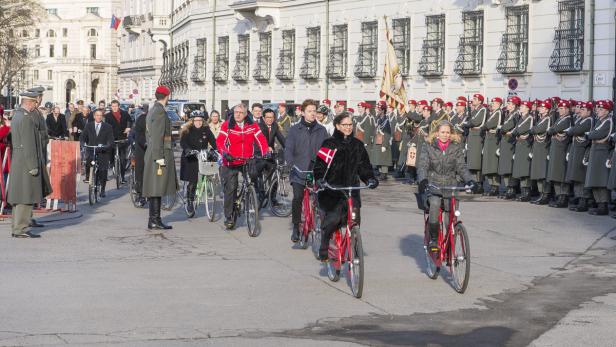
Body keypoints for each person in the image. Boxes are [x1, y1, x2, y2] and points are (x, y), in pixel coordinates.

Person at [313, 112, 378, 260]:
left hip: (351, 189)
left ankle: (354, 250)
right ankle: (324, 243)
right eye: (345, 125)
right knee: (334, 219)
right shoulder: (329, 144)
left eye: (350, 125)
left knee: (355, 219)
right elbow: (319, 166)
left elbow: (364, 167)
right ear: (337, 126)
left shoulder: (358, 145)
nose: (348, 128)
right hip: (332, 190)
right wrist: (320, 179)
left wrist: (370, 179)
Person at [417, 120, 475, 252]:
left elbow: (461, 166)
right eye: (442, 132)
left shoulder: (455, 147)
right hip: (433, 186)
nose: (445, 135)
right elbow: (423, 165)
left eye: (448, 132)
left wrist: (470, 180)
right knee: (435, 204)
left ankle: (451, 245)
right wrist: (423, 180)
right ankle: (433, 238)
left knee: (451, 214)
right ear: (437, 132)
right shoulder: (429, 145)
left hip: (451, 186)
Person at [7, 91, 52, 238]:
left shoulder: (18, 115)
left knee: (19, 197)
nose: (35, 105)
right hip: (27, 162)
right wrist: (33, 165)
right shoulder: (25, 118)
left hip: (19, 160)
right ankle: (21, 229)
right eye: (34, 103)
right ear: (28, 102)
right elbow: (28, 144)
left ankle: (17, 227)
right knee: (26, 197)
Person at [217, 103, 269, 229]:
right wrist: (225, 153)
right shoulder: (227, 125)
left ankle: (249, 197)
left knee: (251, 181)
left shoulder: (252, 125)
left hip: (247, 160)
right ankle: (229, 216)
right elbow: (220, 141)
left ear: (246, 114)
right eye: (236, 112)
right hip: (231, 161)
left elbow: (260, 139)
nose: (238, 115)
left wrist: (265, 152)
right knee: (231, 188)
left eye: (241, 112)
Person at [284, 99, 329, 242]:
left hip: (316, 170)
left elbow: (327, 149)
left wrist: (328, 163)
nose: (312, 114)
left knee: (321, 199)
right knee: (297, 197)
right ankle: (296, 227)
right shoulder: (294, 129)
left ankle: (322, 227)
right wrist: (290, 163)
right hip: (299, 170)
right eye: (309, 111)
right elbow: (289, 148)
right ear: (302, 113)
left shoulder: (321, 130)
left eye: (314, 111)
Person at [142, 86, 178, 230]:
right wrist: (159, 157)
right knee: (156, 188)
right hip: (158, 154)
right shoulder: (159, 112)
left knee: (155, 187)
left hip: (154, 152)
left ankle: (154, 219)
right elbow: (157, 137)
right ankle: (154, 220)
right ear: (166, 96)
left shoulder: (154, 110)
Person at [180, 110, 217, 218]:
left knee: (210, 168)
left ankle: (207, 188)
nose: (198, 122)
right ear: (192, 121)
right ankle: (190, 201)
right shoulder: (187, 130)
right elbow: (183, 142)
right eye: (196, 120)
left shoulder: (206, 129)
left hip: (202, 155)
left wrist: (217, 149)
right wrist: (187, 150)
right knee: (193, 179)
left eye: (200, 120)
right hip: (191, 156)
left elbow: (213, 141)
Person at [584, 100, 613, 216]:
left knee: (601, 180)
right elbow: (592, 133)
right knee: (594, 179)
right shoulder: (600, 121)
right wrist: (591, 135)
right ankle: (598, 202)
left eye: (601, 109)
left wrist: (590, 135)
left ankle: (603, 205)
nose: (598, 111)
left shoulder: (607, 122)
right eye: (598, 109)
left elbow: (594, 134)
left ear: (607, 111)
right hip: (596, 151)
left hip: (601, 152)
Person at [566, 102, 594, 212]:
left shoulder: (588, 120)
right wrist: (572, 131)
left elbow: (574, 130)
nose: (581, 111)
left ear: (589, 111)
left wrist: (572, 131)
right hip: (576, 149)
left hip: (582, 150)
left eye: (583, 110)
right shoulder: (580, 120)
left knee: (581, 176)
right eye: (580, 109)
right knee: (576, 176)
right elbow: (572, 130)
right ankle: (579, 197)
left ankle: (584, 201)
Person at [80, 109, 114, 197]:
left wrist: (107, 145)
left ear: (102, 116)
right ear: (94, 116)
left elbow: (111, 140)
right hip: (92, 150)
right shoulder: (89, 125)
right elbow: (83, 136)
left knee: (103, 170)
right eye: (97, 115)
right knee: (89, 163)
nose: (99, 117)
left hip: (103, 151)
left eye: (100, 115)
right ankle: (90, 178)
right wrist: (83, 143)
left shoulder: (108, 127)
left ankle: (102, 189)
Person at [546, 100, 573, 208]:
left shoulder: (567, 120)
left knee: (561, 174)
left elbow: (553, 129)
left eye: (562, 108)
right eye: (559, 108)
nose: (560, 110)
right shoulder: (559, 119)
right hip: (556, 149)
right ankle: (558, 196)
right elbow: (550, 130)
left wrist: (553, 131)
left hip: (562, 149)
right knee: (555, 174)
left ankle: (563, 197)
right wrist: (552, 131)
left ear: (567, 109)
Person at [529, 100, 552, 205]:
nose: (540, 109)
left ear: (547, 110)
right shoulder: (541, 119)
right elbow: (534, 129)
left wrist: (534, 129)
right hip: (538, 147)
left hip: (543, 148)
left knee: (543, 172)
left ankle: (545, 194)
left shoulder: (547, 119)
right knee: (538, 171)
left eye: (543, 108)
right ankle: (540, 193)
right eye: (540, 107)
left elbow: (536, 130)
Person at [497, 97, 521, 199]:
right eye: (508, 103)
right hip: (505, 142)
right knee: (505, 167)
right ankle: (508, 189)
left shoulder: (515, 115)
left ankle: (512, 189)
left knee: (510, 167)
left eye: (510, 104)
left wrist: (501, 128)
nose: (508, 105)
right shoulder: (508, 114)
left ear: (515, 105)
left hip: (510, 143)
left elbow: (505, 127)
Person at [511, 101, 534, 201]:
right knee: (520, 169)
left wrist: (516, 132)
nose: (521, 108)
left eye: (523, 106)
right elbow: (516, 131)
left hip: (525, 145)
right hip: (520, 145)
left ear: (528, 109)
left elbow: (518, 131)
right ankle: (523, 191)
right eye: (521, 106)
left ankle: (527, 193)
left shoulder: (529, 118)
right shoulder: (521, 118)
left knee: (524, 169)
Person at [105, 100, 132, 184]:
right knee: (111, 153)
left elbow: (130, 121)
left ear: (118, 106)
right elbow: (105, 126)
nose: (114, 108)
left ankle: (122, 177)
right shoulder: (108, 115)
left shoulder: (124, 113)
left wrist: (128, 127)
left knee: (123, 158)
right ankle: (112, 164)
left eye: (116, 106)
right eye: (113, 106)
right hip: (112, 137)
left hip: (122, 137)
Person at [465, 94, 487, 193]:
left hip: (477, 137)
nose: (473, 101)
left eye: (475, 99)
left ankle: (479, 184)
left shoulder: (482, 110)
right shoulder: (474, 110)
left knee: (477, 163)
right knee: (472, 163)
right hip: (472, 137)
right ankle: (474, 183)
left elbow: (474, 122)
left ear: (480, 101)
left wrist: (467, 123)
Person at [481, 97, 502, 196]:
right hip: (489, 140)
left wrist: (485, 126)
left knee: (493, 165)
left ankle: (495, 187)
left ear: (499, 104)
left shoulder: (498, 113)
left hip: (494, 141)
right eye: (492, 103)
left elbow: (488, 125)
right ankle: (491, 186)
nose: (492, 104)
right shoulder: (492, 113)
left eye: (494, 103)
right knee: (489, 164)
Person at [371, 100, 392, 180]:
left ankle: (384, 173)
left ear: (383, 110)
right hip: (378, 139)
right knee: (379, 157)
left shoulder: (386, 120)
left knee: (384, 158)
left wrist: (385, 145)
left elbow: (387, 134)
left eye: (379, 109)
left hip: (383, 141)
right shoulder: (378, 119)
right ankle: (381, 172)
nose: (377, 111)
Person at [132, 103, 148, 207]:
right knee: (140, 170)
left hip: (154, 149)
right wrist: (145, 143)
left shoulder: (158, 119)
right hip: (142, 148)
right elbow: (138, 134)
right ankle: (139, 194)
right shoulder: (141, 119)